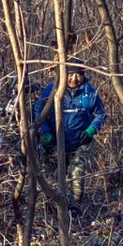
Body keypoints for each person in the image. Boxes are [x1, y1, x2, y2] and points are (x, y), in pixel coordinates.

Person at [35, 62, 106, 204]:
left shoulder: (89, 92)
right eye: (70, 75)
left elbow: (101, 114)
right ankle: (53, 207)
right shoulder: (51, 90)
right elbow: (38, 111)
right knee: (54, 178)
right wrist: (45, 132)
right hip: (54, 143)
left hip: (79, 143)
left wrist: (91, 130)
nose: (74, 79)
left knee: (76, 177)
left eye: (78, 75)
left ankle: (75, 206)